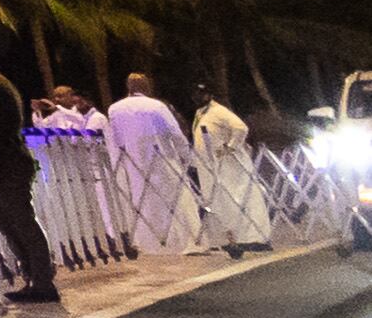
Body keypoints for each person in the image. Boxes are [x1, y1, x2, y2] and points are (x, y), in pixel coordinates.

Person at [0, 53, 62, 305]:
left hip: (8, 163)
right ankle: (35, 278)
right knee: (7, 221)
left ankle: (42, 281)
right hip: (7, 162)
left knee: (21, 223)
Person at [108, 74, 198, 253]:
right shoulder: (156, 106)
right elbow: (174, 132)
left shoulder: (114, 109)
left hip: (133, 164)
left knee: (143, 204)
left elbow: (115, 138)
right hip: (163, 160)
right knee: (176, 201)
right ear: (146, 86)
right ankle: (185, 242)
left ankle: (151, 244)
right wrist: (188, 156)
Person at [191, 89, 271, 255]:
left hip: (231, 166)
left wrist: (230, 147)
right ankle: (232, 238)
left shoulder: (219, 111)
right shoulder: (200, 114)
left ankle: (256, 238)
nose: (197, 98)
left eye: (201, 94)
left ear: (209, 95)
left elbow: (241, 128)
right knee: (223, 204)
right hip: (212, 167)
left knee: (244, 199)